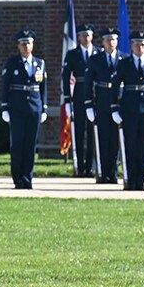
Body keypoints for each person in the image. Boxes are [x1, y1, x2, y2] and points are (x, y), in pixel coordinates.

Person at [0, 29, 46, 188]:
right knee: (18, 144)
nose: (26, 46)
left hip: (34, 107)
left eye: (29, 43)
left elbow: (43, 88)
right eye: (23, 44)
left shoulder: (39, 63)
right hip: (17, 108)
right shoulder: (12, 63)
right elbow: (5, 86)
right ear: (18, 46)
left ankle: (28, 178)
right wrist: (4, 107)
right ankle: (18, 178)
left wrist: (44, 108)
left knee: (31, 144)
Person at [114, 31, 144, 190]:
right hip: (130, 109)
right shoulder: (124, 63)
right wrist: (115, 108)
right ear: (131, 46)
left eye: (142, 44)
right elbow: (115, 86)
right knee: (130, 145)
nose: (140, 47)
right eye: (136, 44)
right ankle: (130, 179)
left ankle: (141, 181)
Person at [87, 28, 122, 184]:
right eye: (108, 39)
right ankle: (101, 171)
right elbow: (87, 84)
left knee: (115, 139)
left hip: (119, 104)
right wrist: (88, 105)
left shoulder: (124, 58)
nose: (111, 42)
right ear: (102, 42)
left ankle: (113, 172)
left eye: (113, 39)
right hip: (101, 102)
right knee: (102, 138)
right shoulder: (95, 59)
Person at [63, 23, 95, 176]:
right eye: (83, 35)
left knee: (92, 132)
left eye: (88, 35)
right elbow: (66, 77)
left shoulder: (98, 53)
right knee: (79, 131)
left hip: (95, 96)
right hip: (79, 94)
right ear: (79, 37)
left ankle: (91, 166)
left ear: (92, 36)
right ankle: (80, 166)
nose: (86, 38)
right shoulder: (72, 54)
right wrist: (67, 100)